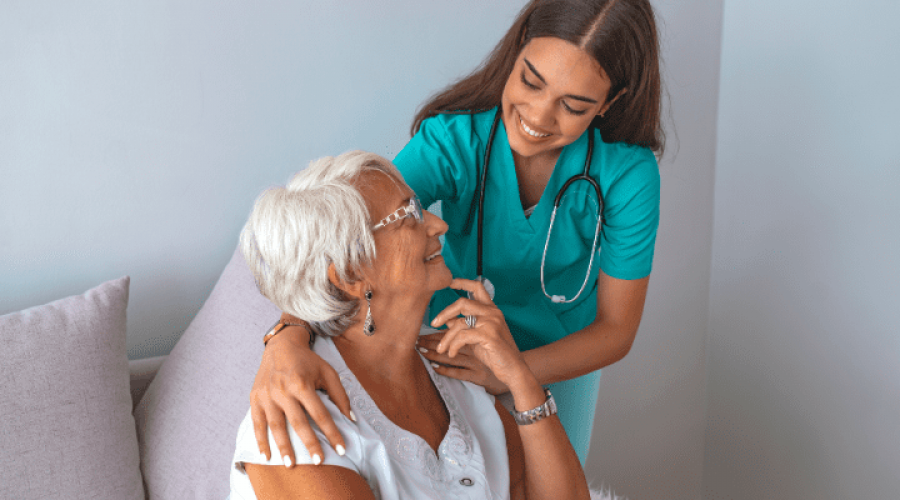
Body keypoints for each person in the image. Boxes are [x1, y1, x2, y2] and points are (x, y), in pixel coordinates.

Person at [250, 0, 663, 466]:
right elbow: (346, 233)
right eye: (531, 80)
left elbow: (616, 330)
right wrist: (286, 335)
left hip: (559, 360)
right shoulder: (455, 141)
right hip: (451, 344)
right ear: (518, 49)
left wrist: (511, 372)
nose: (540, 116)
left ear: (609, 103)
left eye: (573, 106)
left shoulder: (628, 175)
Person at [229, 151, 590, 500]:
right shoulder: (296, 418)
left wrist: (522, 380)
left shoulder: (454, 363)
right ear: (352, 273)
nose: (438, 224)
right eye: (409, 215)